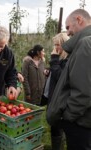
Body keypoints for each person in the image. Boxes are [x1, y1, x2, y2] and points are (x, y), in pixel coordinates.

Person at [47, 9, 91, 150]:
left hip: (81, 123)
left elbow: (82, 91)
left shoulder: (85, 44)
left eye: (68, 27)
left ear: (79, 20)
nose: (68, 33)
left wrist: (68, 117)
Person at [44, 33, 69, 150]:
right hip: (54, 98)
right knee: (55, 127)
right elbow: (56, 71)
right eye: (54, 45)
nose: (55, 48)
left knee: (57, 127)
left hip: (60, 101)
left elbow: (61, 78)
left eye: (57, 45)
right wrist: (50, 70)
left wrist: (53, 60)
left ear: (65, 45)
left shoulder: (68, 60)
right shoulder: (61, 59)